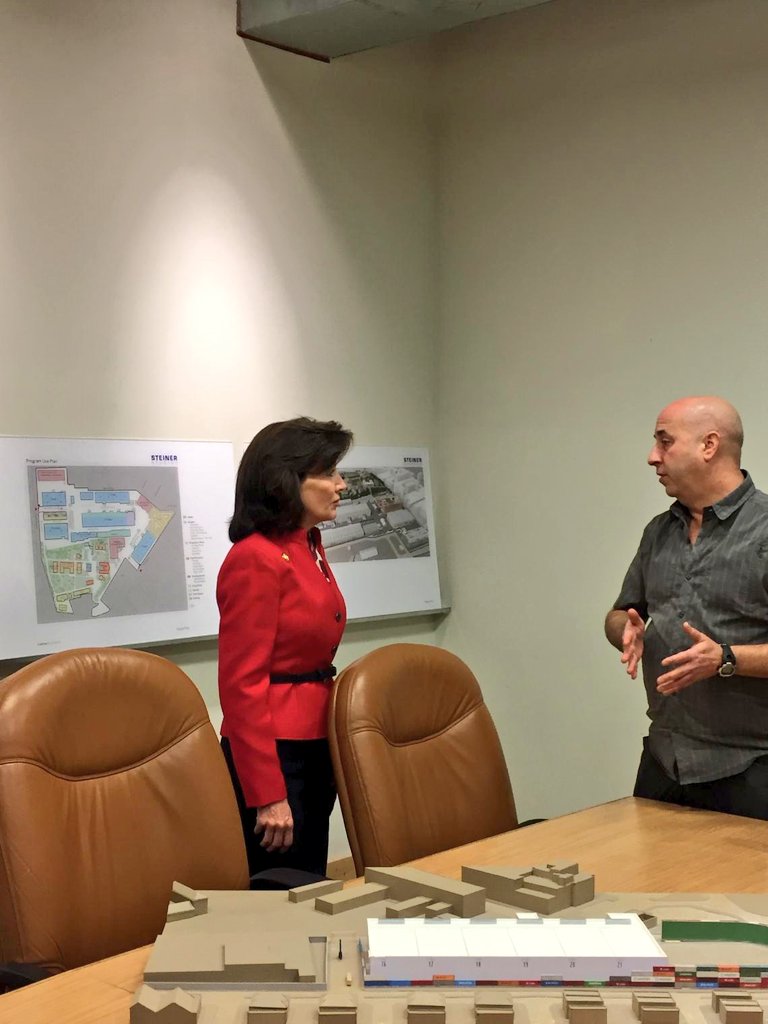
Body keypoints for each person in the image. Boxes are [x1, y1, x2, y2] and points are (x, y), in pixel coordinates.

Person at [605, 395, 768, 820]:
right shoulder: (658, 532)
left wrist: (726, 658)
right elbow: (621, 612)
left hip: (752, 768)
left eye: (665, 441)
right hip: (663, 761)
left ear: (709, 445)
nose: (652, 457)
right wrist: (625, 630)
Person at [217, 416, 353, 877]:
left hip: (313, 742)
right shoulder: (254, 558)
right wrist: (267, 793)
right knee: (283, 889)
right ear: (287, 480)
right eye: (328, 472)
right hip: (276, 752)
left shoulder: (307, 544)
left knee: (311, 882)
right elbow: (242, 684)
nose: (341, 484)